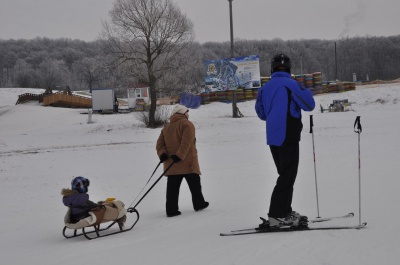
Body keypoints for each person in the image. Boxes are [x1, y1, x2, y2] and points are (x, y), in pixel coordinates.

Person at [255, 54, 315, 228]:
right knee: (287, 176)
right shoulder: (292, 84)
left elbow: (262, 114)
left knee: (285, 175)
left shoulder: (265, 88)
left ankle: (285, 211)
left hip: (273, 138)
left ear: (272, 69)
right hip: (288, 135)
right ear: (289, 68)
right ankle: (276, 214)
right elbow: (309, 104)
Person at [156, 104, 209, 217]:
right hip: (187, 162)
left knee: (172, 189)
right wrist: (179, 156)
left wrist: (162, 155)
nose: (188, 114)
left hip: (171, 163)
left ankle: (171, 210)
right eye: (187, 112)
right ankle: (199, 204)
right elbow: (187, 142)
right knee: (195, 185)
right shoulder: (187, 124)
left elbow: (159, 144)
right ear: (183, 113)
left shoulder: (166, 127)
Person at [61, 176, 126, 227]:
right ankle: (120, 215)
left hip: (75, 218)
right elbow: (91, 205)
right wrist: (99, 205)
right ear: (82, 187)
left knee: (102, 205)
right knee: (105, 208)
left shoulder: (70, 197)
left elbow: (84, 205)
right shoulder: (80, 197)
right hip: (84, 217)